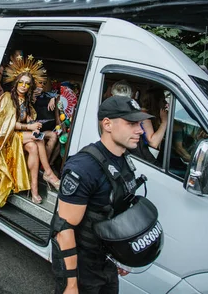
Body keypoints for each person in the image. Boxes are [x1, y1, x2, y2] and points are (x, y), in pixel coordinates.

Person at [51, 96, 162, 294]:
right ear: (107, 124)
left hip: (107, 262)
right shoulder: (84, 168)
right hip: (82, 268)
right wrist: (71, 285)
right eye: (131, 123)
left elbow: (118, 211)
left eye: (139, 123)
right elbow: (63, 230)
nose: (140, 130)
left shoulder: (124, 159)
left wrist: (121, 255)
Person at [0, 55, 61, 238]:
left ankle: (34, 190)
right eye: (21, 82)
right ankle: (48, 173)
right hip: (4, 139)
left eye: (27, 84)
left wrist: (34, 123)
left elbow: (28, 120)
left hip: (20, 137)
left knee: (33, 145)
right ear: (16, 83)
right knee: (37, 140)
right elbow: (5, 124)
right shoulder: (7, 97)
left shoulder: (28, 102)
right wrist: (28, 127)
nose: (24, 86)